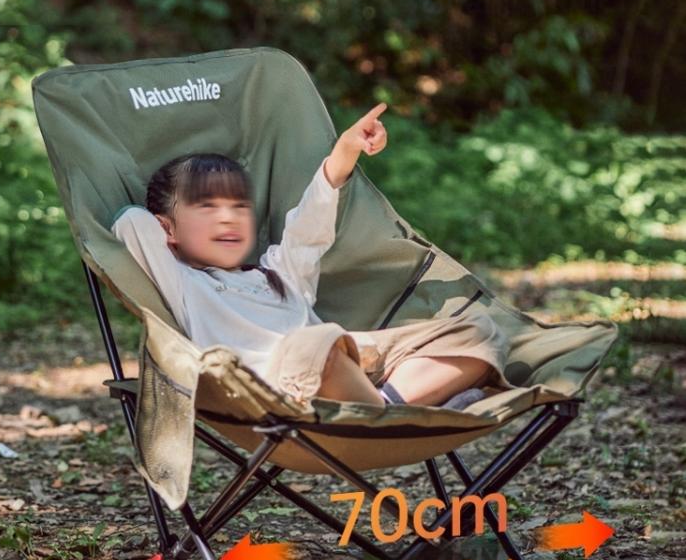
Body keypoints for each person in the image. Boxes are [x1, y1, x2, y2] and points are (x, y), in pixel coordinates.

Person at [111, 103, 513, 410]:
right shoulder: (182, 284)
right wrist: (167, 225)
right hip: (280, 390)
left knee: (478, 330)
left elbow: (309, 226)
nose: (228, 218)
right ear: (167, 229)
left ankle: (387, 406)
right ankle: (392, 413)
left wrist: (343, 154)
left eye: (239, 206)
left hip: (349, 362)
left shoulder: (277, 273)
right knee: (317, 341)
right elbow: (131, 223)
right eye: (207, 207)